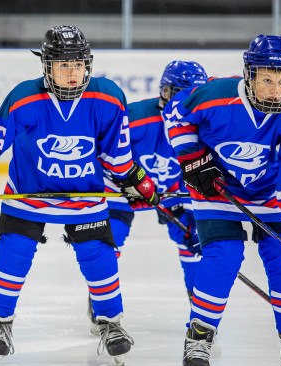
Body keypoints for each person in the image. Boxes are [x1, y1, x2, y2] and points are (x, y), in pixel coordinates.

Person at [0, 25, 159, 366]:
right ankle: (0, 322)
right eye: (63, 65)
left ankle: (110, 323)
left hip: (85, 196)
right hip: (28, 193)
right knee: (14, 252)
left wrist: (132, 178)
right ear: (47, 67)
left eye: (78, 64)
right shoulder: (25, 97)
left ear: (88, 65)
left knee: (99, 256)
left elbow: (116, 152)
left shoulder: (108, 98)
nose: (71, 72)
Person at [163, 34, 281, 366]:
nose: (276, 90)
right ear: (249, 75)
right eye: (267, 80)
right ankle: (200, 335)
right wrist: (192, 158)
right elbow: (175, 114)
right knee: (224, 255)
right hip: (216, 190)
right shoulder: (215, 94)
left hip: (268, 195)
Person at [87, 61, 208, 335]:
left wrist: (194, 211)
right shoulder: (137, 117)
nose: (187, 103)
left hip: (174, 191)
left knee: (192, 240)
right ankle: (102, 304)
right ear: (165, 91)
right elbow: (99, 148)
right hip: (123, 189)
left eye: (194, 96)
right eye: (178, 93)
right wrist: (124, 179)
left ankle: (201, 309)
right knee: (109, 242)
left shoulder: (207, 123)